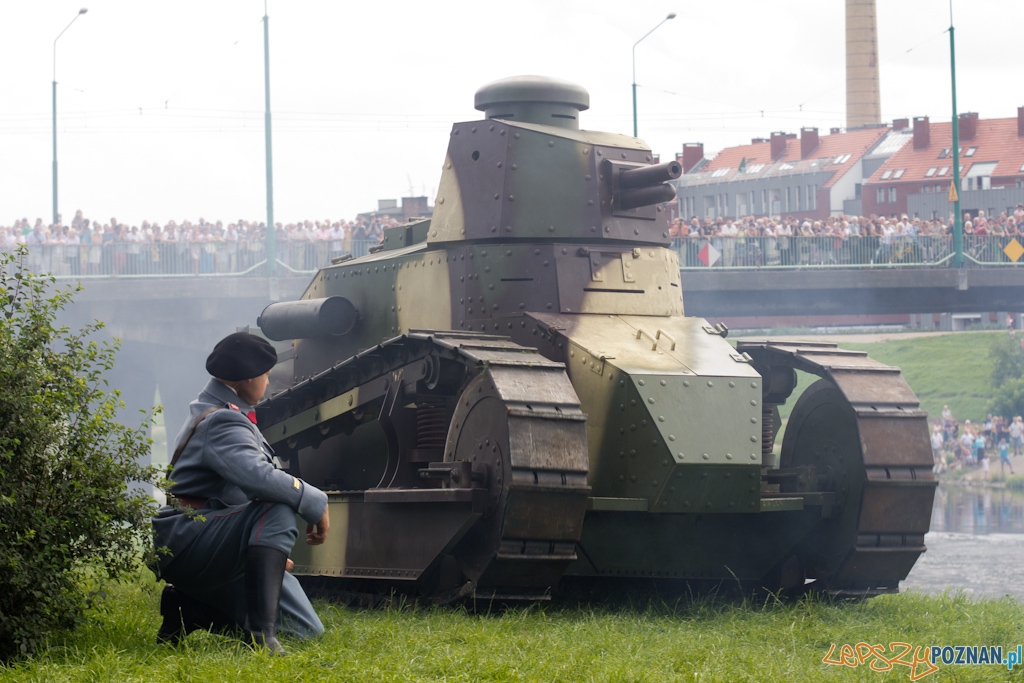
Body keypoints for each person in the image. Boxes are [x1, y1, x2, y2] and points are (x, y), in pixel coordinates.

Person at [151, 332, 329, 653]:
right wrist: (315, 501)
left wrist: (266, 551)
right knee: (278, 506)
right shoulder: (223, 421)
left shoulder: (219, 410)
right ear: (246, 379)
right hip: (189, 540)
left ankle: (189, 610)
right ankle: (263, 637)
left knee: (307, 632)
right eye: (264, 373)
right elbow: (259, 478)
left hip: (209, 535)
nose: (268, 378)